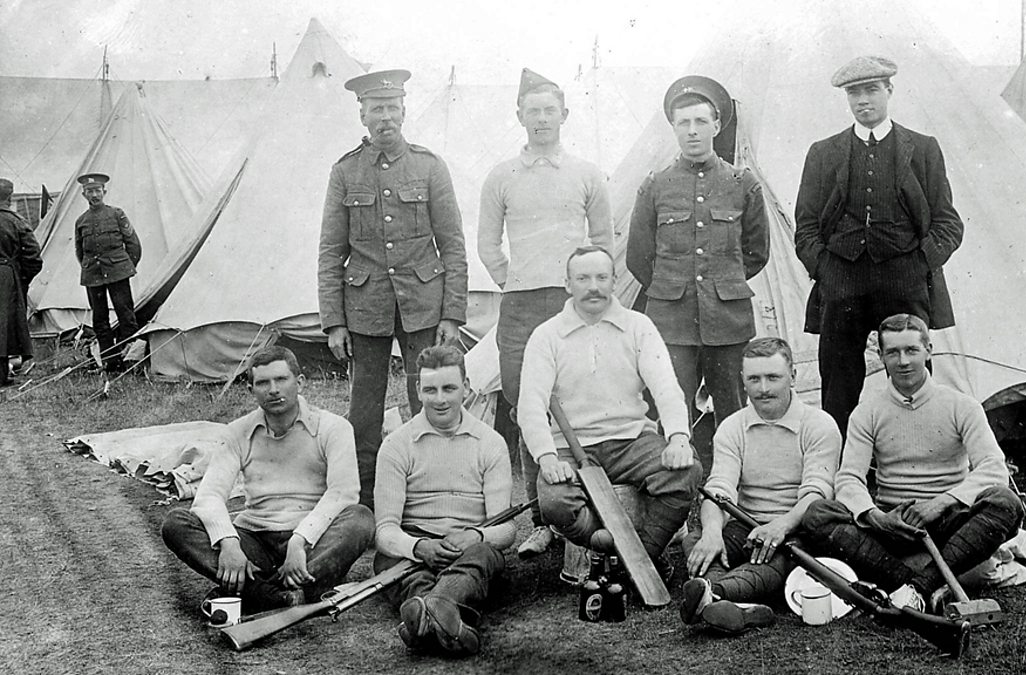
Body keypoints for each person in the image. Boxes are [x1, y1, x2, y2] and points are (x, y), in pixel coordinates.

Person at [478, 68, 615, 559]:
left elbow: (603, 240)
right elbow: (487, 244)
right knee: (523, 405)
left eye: (549, 110)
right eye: (531, 111)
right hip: (520, 305)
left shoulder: (585, 173)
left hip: (572, 303)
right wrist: (511, 280)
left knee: (580, 397)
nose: (540, 119)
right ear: (519, 116)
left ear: (564, 115)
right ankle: (541, 517)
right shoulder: (502, 175)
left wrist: (584, 289)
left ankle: (584, 509)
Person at [318, 69, 469, 510]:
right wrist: (334, 323)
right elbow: (330, 251)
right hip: (365, 308)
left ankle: (428, 492)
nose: (385, 116)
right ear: (362, 114)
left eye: (392, 108)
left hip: (424, 305)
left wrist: (452, 315)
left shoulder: (429, 166)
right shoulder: (345, 172)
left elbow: (453, 245)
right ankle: (364, 500)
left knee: (428, 400)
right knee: (364, 410)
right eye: (376, 109)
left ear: (403, 111)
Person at [801, 314, 1023, 611]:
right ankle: (921, 585)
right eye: (892, 352)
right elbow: (849, 478)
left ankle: (914, 587)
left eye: (911, 350)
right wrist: (875, 516)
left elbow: (994, 468)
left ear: (928, 350)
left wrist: (942, 502)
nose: (903, 361)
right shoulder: (868, 411)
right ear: (880, 357)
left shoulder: (961, 405)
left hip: (949, 521)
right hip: (892, 526)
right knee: (818, 514)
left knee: (1004, 501)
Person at [793, 56, 964, 436]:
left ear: (889, 90)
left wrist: (919, 264)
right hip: (842, 280)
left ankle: (918, 452)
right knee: (838, 381)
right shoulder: (824, 152)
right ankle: (836, 466)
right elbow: (805, 224)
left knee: (911, 373)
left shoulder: (921, 148)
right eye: (854, 93)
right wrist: (825, 269)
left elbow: (948, 222)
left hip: (904, 278)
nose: (863, 101)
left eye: (871, 90)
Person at [517, 246, 703, 577]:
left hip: (632, 441)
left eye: (602, 277)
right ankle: (611, 550)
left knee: (686, 473)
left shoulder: (638, 325)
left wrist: (677, 437)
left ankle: (639, 557)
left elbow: (666, 387)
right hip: (570, 448)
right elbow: (530, 404)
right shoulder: (546, 336)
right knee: (555, 502)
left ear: (614, 281)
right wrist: (547, 458)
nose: (593, 286)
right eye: (583, 278)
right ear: (567, 284)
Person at [161, 346, 374, 613]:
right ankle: (285, 595)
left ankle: (252, 593)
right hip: (256, 540)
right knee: (176, 523)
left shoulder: (333, 427)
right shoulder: (237, 432)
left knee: (360, 518)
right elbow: (209, 496)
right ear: (251, 390)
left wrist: (300, 540)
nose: (273, 389)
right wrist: (227, 541)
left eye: (281, 379)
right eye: (262, 382)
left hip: (312, 541)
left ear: (300, 382)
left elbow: (343, 492)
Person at [627, 76, 769, 462]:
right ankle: (674, 498)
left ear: (717, 126)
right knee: (670, 409)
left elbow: (756, 253)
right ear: (673, 127)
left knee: (734, 409)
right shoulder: (655, 186)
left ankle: (734, 491)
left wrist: (725, 281)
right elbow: (638, 258)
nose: (692, 131)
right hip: (671, 321)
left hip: (728, 319)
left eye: (700, 122)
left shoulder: (742, 184)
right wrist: (673, 286)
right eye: (683, 123)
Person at [680, 337, 841, 634]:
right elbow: (720, 488)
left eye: (773, 377)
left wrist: (780, 526)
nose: (763, 388)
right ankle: (735, 604)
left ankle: (714, 593)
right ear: (743, 380)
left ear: (793, 376)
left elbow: (818, 492)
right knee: (697, 540)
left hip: (796, 528)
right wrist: (714, 532)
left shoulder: (819, 424)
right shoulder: (731, 426)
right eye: (754, 378)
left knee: (775, 559)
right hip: (746, 525)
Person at [373, 344, 514, 657]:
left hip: (469, 549)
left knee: (483, 555)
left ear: (465, 387)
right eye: (431, 389)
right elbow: (384, 531)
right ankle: (447, 620)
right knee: (398, 567)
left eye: (449, 388)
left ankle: (427, 615)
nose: (440, 399)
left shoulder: (490, 443)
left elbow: (506, 531)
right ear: (418, 390)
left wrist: (475, 536)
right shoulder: (396, 445)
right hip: (413, 550)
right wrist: (418, 547)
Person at [73, 172, 141, 373]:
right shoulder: (81, 221)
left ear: (104, 192)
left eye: (97, 191)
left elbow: (133, 245)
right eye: (89, 191)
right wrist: (90, 268)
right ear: (84, 195)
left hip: (118, 272)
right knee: (100, 321)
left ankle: (130, 360)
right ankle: (110, 363)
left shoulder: (116, 214)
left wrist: (124, 267)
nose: (94, 195)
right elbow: (80, 251)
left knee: (126, 315)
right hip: (93, 276)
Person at [0, 178, 42, 386]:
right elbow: (34, 257)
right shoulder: (17, 221)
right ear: (10, 197)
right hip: (7, 276)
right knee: (6, 324)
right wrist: (21, 279)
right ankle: (5, 371)